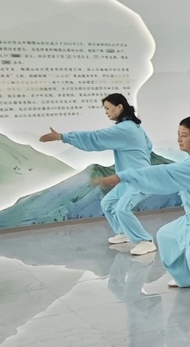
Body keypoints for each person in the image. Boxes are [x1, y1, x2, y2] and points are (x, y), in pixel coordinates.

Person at [97, 116, 190, 316]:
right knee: (166, 235)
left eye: (184, 136)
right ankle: (186, 278)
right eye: (178, 135)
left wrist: (123, 176)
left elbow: (166, 173)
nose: (179, 139)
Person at [41, 94, 156, 255]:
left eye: (108, 108)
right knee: (107, 203)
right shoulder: (135, 127)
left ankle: (145, 241)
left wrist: (62, 137)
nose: (106, 112)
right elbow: (149, 146)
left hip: (139, 179)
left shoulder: (125, 129)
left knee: (122, 209)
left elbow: (95, 137)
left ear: (119, 107)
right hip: (128, 179)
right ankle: (123, 232)